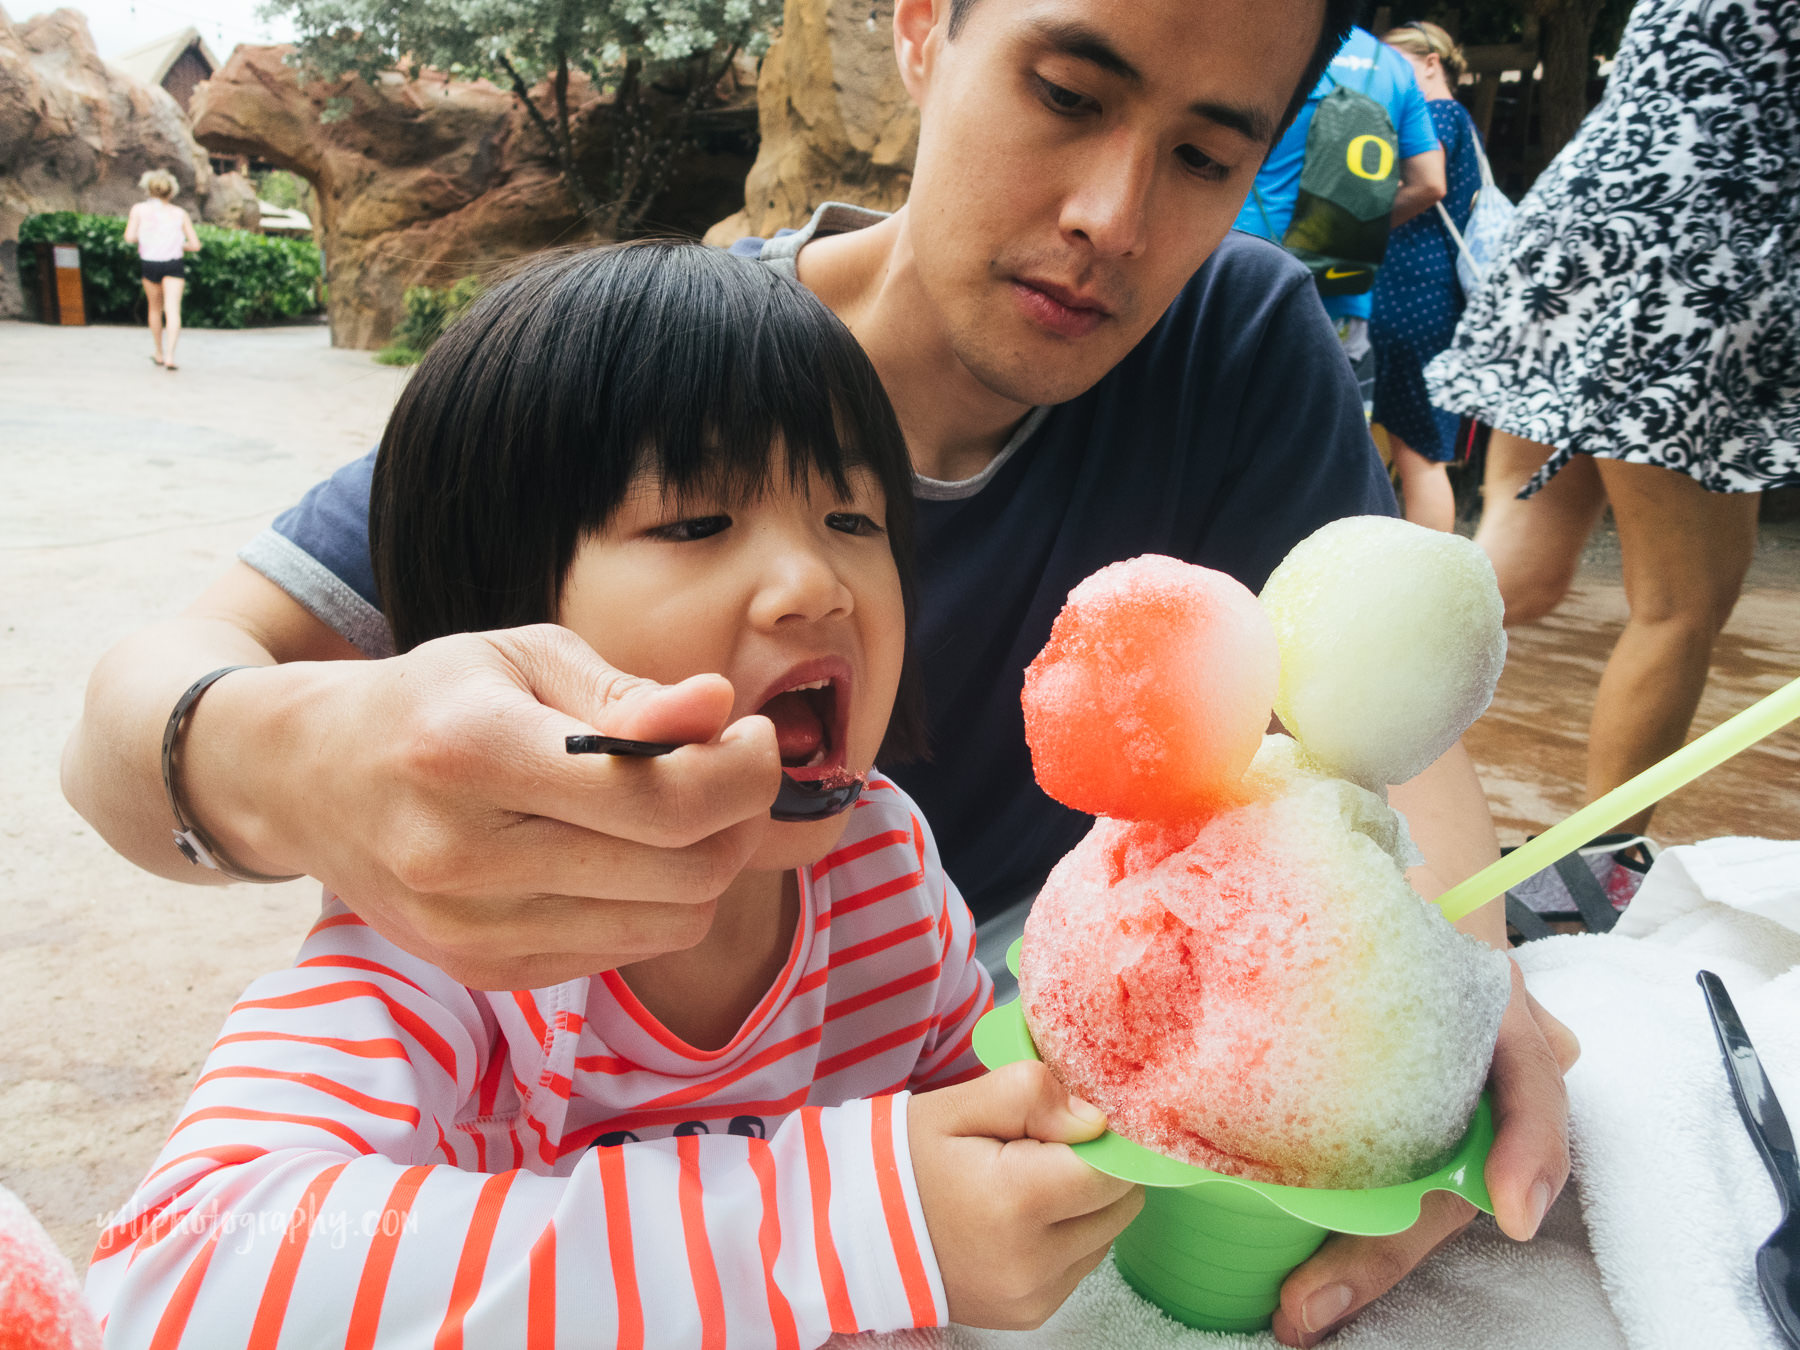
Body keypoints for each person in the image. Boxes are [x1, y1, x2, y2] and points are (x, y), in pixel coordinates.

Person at [62, 2, 1578, 1343]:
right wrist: (289, 758)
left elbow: (961, 1095)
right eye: (1068, 89)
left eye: (859, 517)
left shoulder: (877, 882)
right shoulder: (459, 950)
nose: (1115, 214)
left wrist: (1431, 988)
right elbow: (175, 1275)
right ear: (924, 28)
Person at [87, 242, 1143, 1345]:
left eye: (853, 520)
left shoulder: (881, 860)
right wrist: (833, 1230)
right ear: (499, 635)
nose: (812, 586)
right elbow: (179, 1269)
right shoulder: (456, 919)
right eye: (694, 525)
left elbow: (976, 1112)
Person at [1427, 0, 1799, 835]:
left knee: (1513, 567)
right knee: (1680, 605)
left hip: (1584, 221)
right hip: (1703, 246)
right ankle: (1596, 868)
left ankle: (1298, 736)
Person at [1233, 22, 1445, 417]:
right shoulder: (1394, 65)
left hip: (1242, 276)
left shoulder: (1268, 40)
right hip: (1343, 290)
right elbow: (1430, 184)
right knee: (1322, 443)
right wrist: (1352, 228)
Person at [1367, 21, 1482, 531]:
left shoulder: (1435, 115)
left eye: (1398, 63)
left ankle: (1430, 587)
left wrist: (1357, 225)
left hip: (1406, 290)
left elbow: (1425, 186)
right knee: (1413, 445)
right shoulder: (1463, 122)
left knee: (1416, 452)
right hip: (1436, 295)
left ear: (1431, 63)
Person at [123, 170, 201, 371]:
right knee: (173, 310)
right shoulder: (179, 213)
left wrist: (149, 239)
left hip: (150, 262)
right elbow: (195, 244)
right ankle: (170, 356)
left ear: (149, 189)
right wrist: (177, 244)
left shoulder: (139, 210)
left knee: (154, 309)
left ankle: (158, 351)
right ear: (171, 192)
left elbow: (130, 237)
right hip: (173, 263)